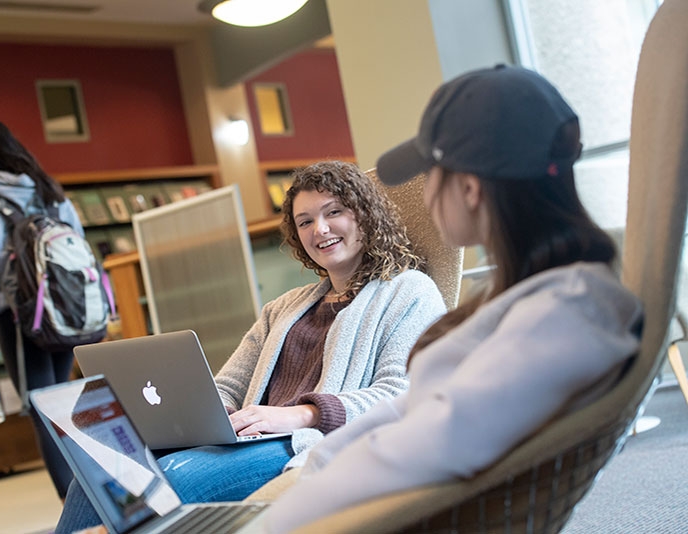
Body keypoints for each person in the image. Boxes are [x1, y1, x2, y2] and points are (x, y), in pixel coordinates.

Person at [262, 65, 644, 532]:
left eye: (431, 174)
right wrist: (317, 463)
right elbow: (414, 414)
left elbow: (433, 441)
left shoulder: (568, 313)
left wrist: (267, 523)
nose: (424, 195)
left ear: (469, 187)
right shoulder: (536, 298)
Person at [55, 160, 447, 532]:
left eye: (334, 213)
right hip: (250, 438)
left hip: (306, 442)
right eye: (305, 221)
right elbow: (228, 386)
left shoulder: (409, 291)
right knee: (103, 465)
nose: (320, 229)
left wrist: (303, 415)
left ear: (365, 214)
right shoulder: (284, 308)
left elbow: (401, 394)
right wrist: (210, 416)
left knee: (174, 477)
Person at [0, 117, 83, 500]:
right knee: (61, 404)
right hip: (65, 314)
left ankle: (80, 507)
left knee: (43, 410)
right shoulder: (49, 192)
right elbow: (78, 250)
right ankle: (96, 499)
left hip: (21, 320)